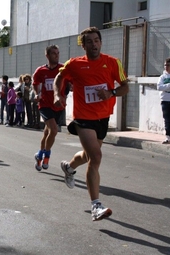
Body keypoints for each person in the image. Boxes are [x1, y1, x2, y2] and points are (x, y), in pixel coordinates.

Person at [53, 27, 129, 221]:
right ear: (83, 44)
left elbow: (125, 86)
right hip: (83, 117)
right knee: (96, 157)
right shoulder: (74, 64)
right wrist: (57, 94)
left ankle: (69, 167)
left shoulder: (112, 63)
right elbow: (59, 77)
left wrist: (111, 93)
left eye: (96, 40)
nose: (93, 44)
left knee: (88, 156)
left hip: (102, 117)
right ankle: (96, 205)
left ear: (100, 43)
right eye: (89, 41)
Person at [33, 45, 66, 172]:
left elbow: (70, 81)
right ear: (47, 55)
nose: (56, 55)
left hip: (58, 105)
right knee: (54, 130)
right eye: (53, 53)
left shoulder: (63, 69)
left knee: (47, 133)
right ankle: (46, 156)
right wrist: (36, 94)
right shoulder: (40, 71)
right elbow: (35, 84)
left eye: (58, 53)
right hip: (45, 104)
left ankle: (39, 155)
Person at [157, 57, 170, 144]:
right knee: (167, 119)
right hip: (165, 100)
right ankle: (168, 137)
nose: (166, 67)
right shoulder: (162, 77)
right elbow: (159, 87)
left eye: (168, 65)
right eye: (165, 65)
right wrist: (168, 85)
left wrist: (165, 87)